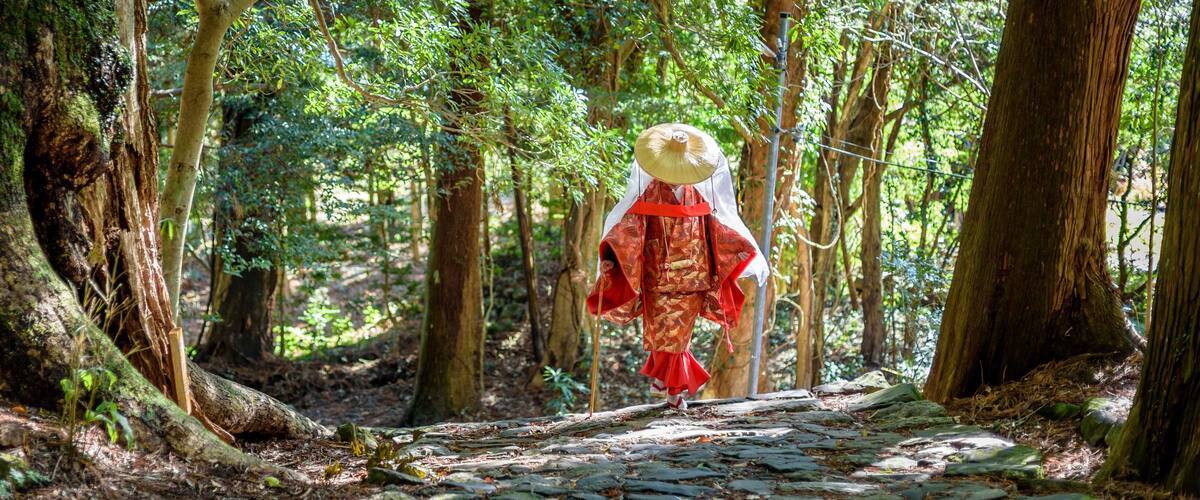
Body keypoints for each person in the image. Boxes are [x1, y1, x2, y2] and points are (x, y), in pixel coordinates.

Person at [587, 123, 767, 409]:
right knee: (664, 331)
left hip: (692, 280)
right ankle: (671, 389)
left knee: (678, 335)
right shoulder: (648, 195)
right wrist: (613, 255)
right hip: (658, 278)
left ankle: (670, 388)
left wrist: (739, 246)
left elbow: (715, 230)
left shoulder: (699, 195)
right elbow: (629, 230)